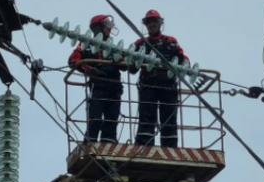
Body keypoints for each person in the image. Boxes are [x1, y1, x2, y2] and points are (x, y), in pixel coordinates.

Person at [130, 9, 188, 148]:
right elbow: (132, 68)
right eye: (148, 22)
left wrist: (186, 65)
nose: (151, 25)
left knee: (168, 117)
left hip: (167, 84)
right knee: (147, 116)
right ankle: (145, 146)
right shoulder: (140, 43)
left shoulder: (171, 41)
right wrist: (132, 61)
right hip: (148, 84)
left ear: (159, 23)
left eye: (154, 22)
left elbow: (183, 59)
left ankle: (170, 148)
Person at [68, 14, 124, 144]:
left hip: (114, 87)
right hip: (98, 86)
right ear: (98, 27)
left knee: (112, 119)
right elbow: (73, 60)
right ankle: (90, 143)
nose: (110, 28)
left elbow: (125, 63)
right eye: (107, 25)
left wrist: (123, 62)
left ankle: (109, 144)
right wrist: (89, 69)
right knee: (95, 119)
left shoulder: (113, 47)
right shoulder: (86, 44)